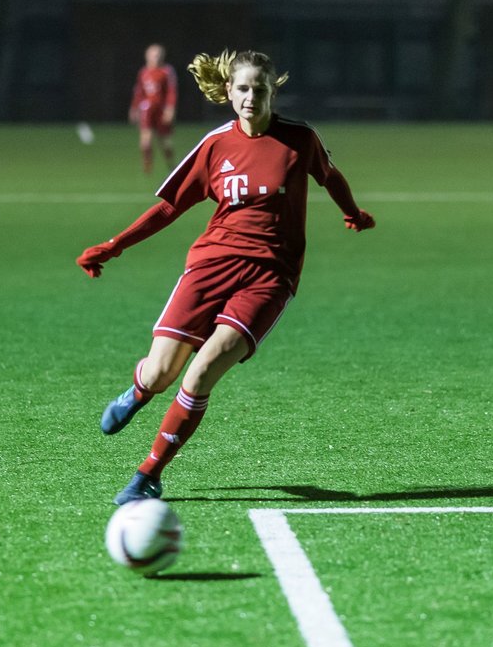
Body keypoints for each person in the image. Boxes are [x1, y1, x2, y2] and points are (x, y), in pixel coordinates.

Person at [78, 49, 376, 505]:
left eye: (260, 88)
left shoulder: (300, 139)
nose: (250, 97)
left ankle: (148, 475)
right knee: (162, 372)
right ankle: (140, 389)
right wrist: (115, 245)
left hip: (270, 277)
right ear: (228, 93)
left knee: (198, 377)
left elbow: (330, 176)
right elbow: (170, 206)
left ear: (273, 91)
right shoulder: (216, 145)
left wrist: (352, 213)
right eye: (242, 89)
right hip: (211, 266)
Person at [129, 43, 178, 174]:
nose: (156, 57)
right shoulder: (143, 72)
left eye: (158, 54)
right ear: (147, 56)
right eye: (153, 54)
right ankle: (147, 164)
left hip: (161, 109)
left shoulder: (167, 71)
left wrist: (170, 108)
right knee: (145, 141)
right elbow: (138, 92)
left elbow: (171, 91)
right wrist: (134, 108)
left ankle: (172, 165)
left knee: (165, 142)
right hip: (147, 109)